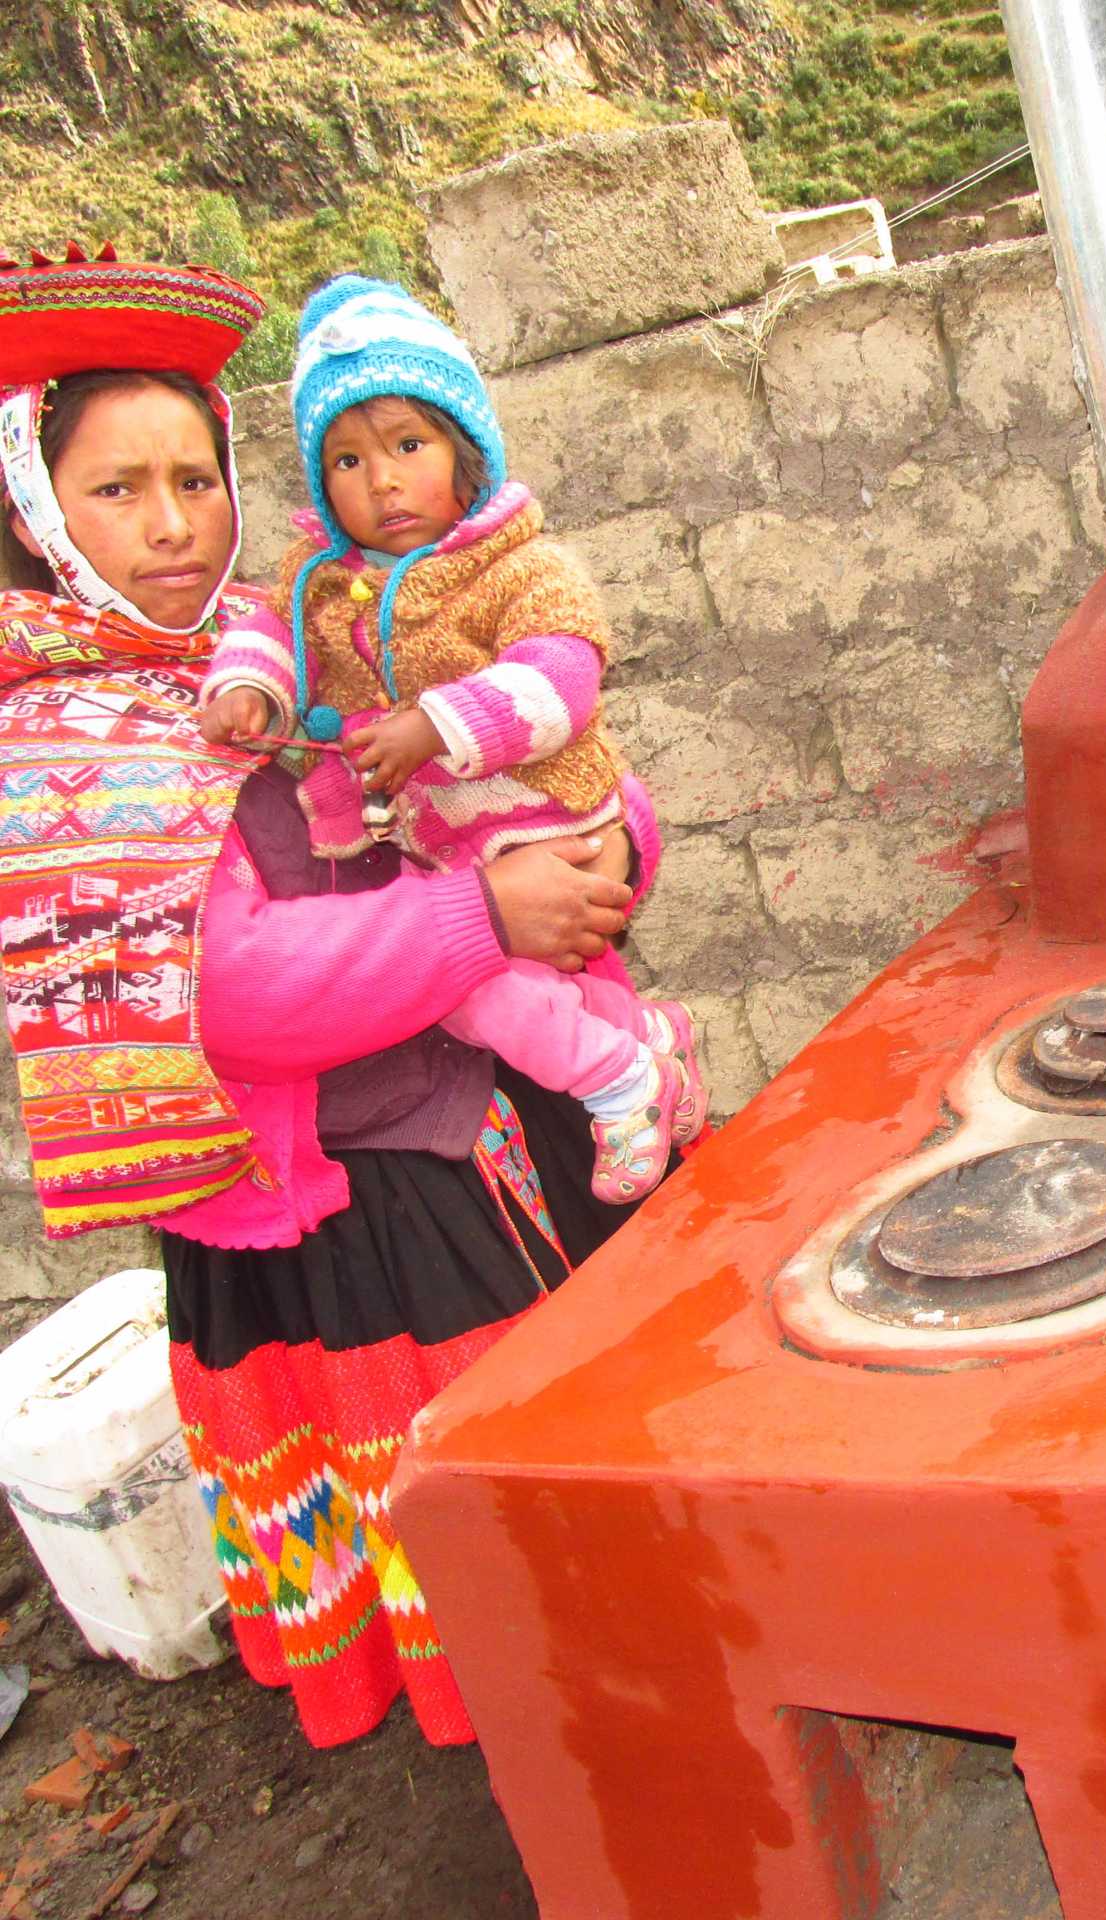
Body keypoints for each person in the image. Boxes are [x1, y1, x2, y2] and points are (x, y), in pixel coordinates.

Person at [0, 246, 642, 1749]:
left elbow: (489, 774)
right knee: (485, 1544)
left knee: (567, 1504)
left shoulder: (263, 650)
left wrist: (595, 853)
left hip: (453, 1119)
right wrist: (484, 913)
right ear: (35, 513)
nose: (174, 525)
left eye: (196, 477)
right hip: (337, 1209)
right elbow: (233, 994)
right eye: (118, 490)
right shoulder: (62, 731)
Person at [200, 276, 706, 1204]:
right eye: (346, 462)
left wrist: (435, 721)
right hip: (446, 855)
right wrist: (247, 686)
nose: (382, 479)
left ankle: (619, 1083)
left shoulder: (519, 561)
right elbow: (265, 631)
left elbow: (563, 673)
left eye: (407, 444)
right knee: (520, 991)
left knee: (486, 999)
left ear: (465, 450)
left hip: (537, 817)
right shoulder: (314, 580)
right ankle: (650, 1043)